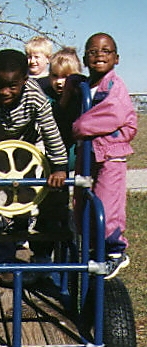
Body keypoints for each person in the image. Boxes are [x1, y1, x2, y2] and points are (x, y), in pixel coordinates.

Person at [0, 49, 68, 286]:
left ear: (25, 80)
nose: (4, 91)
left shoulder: (34, 96)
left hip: (28, 142)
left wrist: (60, 167)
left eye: (12, 86)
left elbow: (51, 133)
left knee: (25, 194)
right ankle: (0, 257)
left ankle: (21, 233)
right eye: (0, 85)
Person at [70, 33, 137, 279]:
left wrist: (77, 127)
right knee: (82, 203)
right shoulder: (88, 85)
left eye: (106, 51)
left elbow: (111, 115)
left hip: (110, 156)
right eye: (92, 51)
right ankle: (93, 247)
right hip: (90, 155)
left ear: (116, 58)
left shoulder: (114, 86)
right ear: (85, 59)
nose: (99, 55)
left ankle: (116, 251)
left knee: (107, 206)